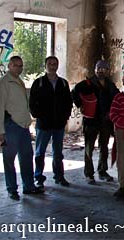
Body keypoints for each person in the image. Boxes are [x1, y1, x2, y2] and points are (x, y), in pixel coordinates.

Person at [0, 56, 44, 200]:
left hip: (23, 126)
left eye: (21, 66)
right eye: (16, 65)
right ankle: (12, 189)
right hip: (10, 126)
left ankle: (28, 186)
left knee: (27, 157)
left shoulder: (18, 81)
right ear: (9, 66)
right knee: (9, 159)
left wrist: (29, 123)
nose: (19, 68)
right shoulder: (3, 83)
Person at [72, 60, 119, 184]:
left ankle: (102, 171)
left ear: (107, 70)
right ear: (95, 69)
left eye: (104, 68)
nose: (101, 70)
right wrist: (80, 105)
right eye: (98, 68)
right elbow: (74, 92)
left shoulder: (110, 85)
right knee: (89, 148)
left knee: (104, 147)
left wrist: (112, 112)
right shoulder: (87, 84)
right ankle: (89, 174)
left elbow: (117, 99)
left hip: (105, 121)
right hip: (91, 121)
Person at [29, 56, 73, 187]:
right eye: (50, 63)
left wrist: (65, 116)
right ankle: (38, 177)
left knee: (58, 152)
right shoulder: (39, 82)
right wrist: (37, 115)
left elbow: (68, 102)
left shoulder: (63, 83)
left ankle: (59, 176)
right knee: (40, 152)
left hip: (59, 124)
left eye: (54, 63)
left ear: (57, 66)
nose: (52, 66)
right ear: (45, 65)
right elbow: (32, 101)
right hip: (44, 124)